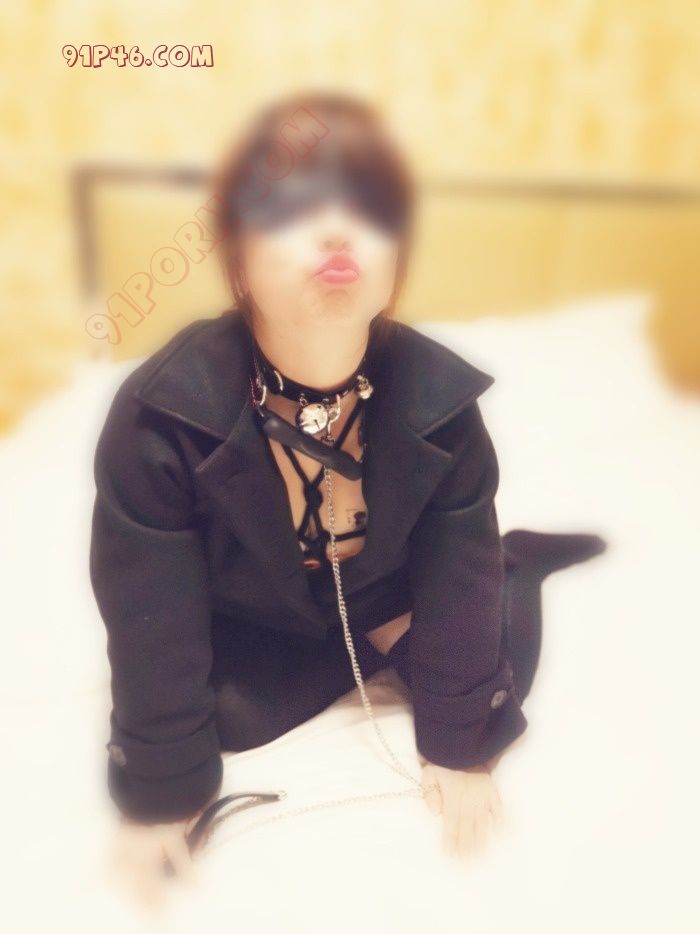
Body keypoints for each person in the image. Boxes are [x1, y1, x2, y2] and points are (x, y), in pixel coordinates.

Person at [90, 92, 606, 907]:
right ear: (237, 262)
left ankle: (523, 562)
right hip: (258, 607)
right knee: (231, 720)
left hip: (391, 583)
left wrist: (459, 743)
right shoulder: (162, 417)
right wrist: (161, 792)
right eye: (294, 209)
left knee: (494, 670)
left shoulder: (440, 403)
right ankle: (375, 639)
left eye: (369, 210)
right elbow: (149, 608)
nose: (337, 231)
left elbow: (457, 569)